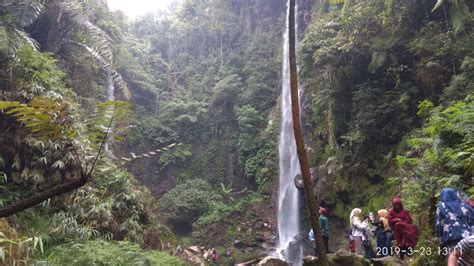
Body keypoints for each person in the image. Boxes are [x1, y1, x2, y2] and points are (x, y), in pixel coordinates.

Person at [436, 188, 474, 255]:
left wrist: (440, 239)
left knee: (453, 260)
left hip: (451, 238)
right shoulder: (463, 205)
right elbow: (471, 219)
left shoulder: (441, 206)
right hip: (467, 237)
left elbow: (439, 224)